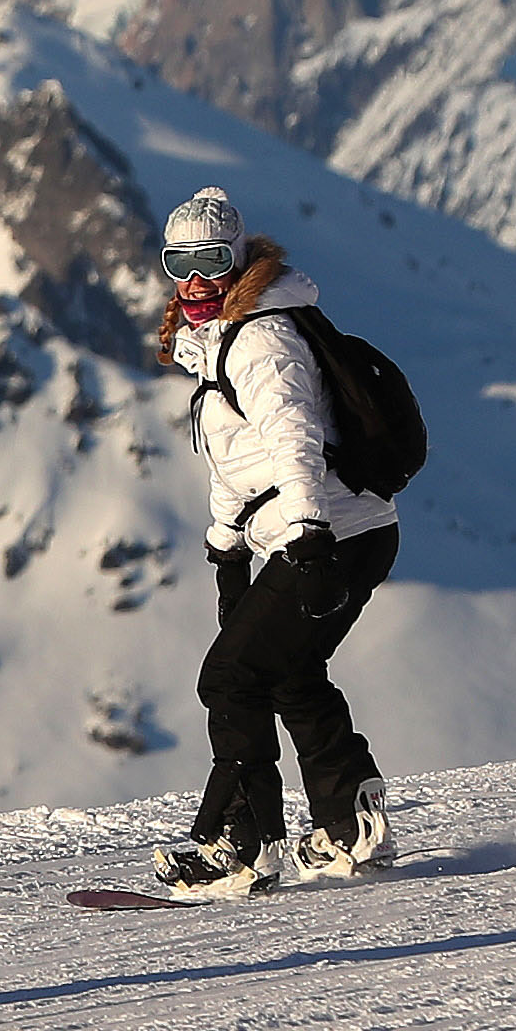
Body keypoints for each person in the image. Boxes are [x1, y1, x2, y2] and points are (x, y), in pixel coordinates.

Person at [150, 188, 399, 899]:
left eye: (210, 260)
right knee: (287, 672)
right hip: (342, 531)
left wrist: (309, 534)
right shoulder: (224, 341)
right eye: (179, 262)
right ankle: (346, 822)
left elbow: (294, 439)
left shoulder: (260, 338)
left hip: (330, 532)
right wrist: (227, 544)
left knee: (230, 678)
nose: (195, 279)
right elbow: (239, 459)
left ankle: (237, 842)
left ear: (239, 262)